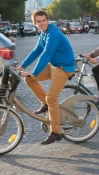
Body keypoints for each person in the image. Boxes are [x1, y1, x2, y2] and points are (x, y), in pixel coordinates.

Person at [14, 9, 77, 145]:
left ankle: (56, 132)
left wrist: (34, 72)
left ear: (48, 20)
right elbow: (36, 51)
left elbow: (46, 54)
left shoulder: (53, 34)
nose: (42, 23)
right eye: (39, 21)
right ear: (34, 23)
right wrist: (21, 67)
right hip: (54, 66)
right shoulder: (43, 33)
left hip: (64, 68)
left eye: (44, 20)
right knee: (29, 79)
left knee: (52, 98)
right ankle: (46, 104)